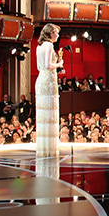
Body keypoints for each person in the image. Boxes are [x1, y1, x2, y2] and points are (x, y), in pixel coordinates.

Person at [35, 24, 63, 158]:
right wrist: (59, 64)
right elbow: (47, 65)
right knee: (50, 114)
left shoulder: (39, 46)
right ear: (50, 33)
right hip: (48, 81)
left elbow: (39, 66)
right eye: (56, 33)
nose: (57, 35)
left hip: (41, 80)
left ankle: (44, 148)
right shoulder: (49, 45)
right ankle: (50, 150)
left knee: (43, 116)